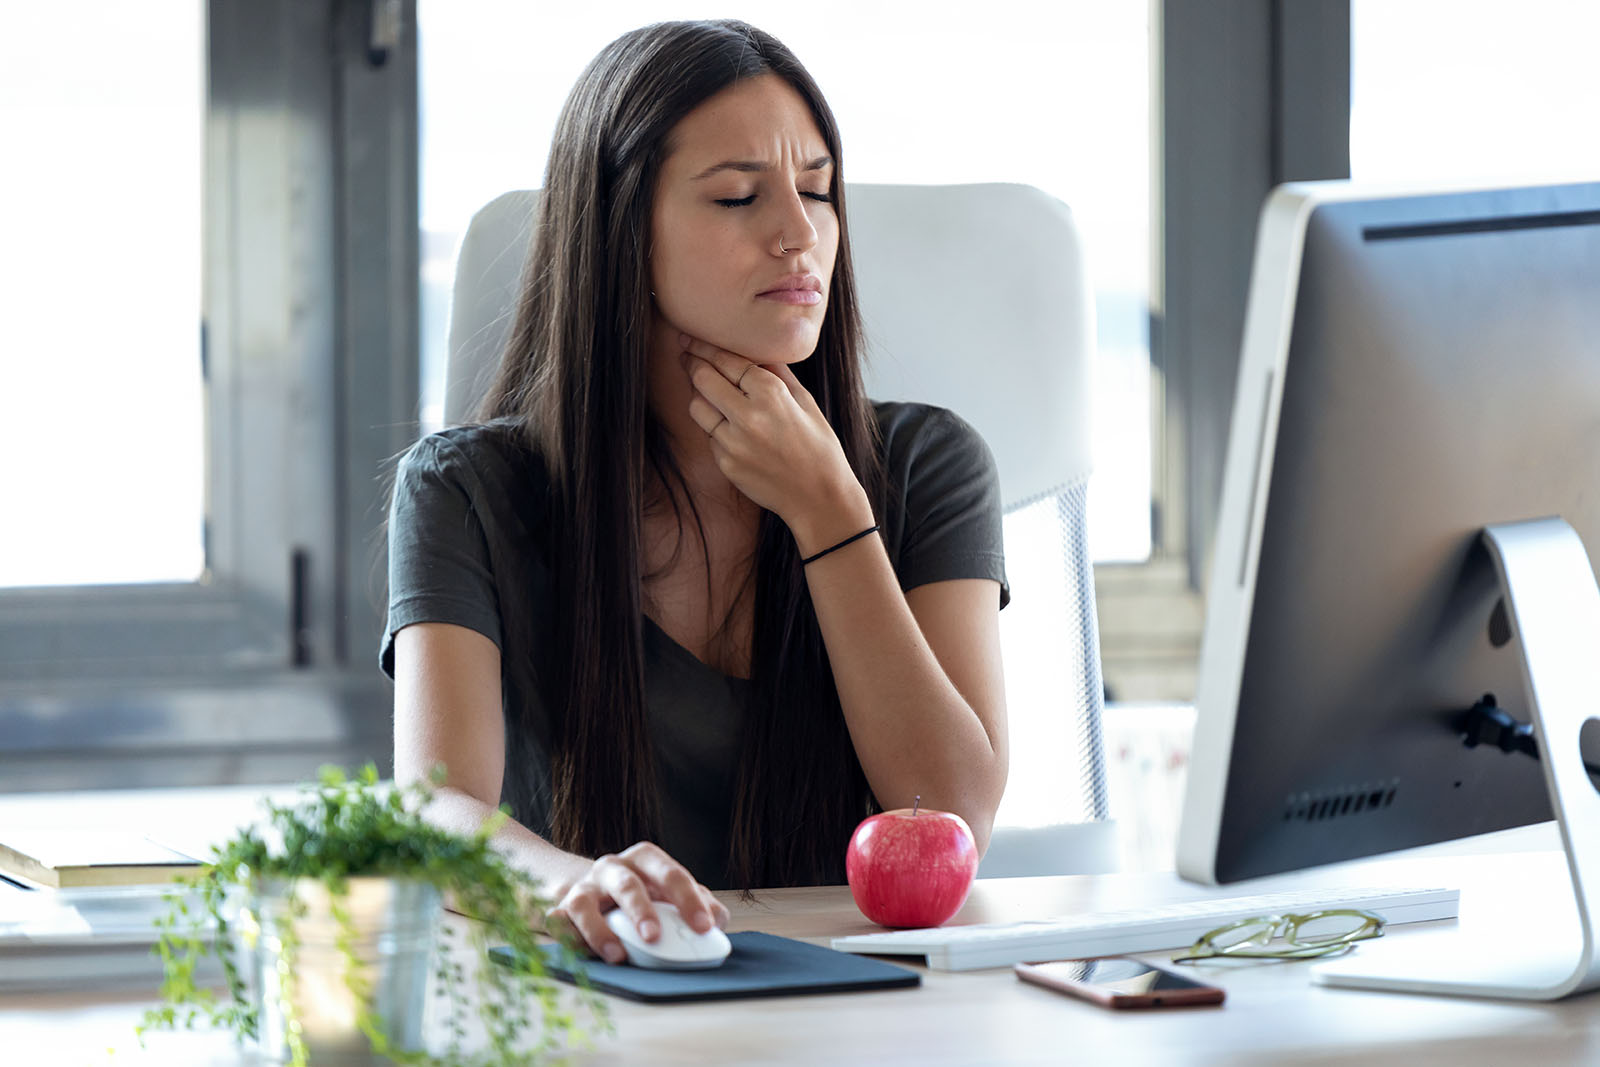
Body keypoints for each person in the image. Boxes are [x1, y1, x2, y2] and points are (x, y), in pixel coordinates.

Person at [383, 19, 1009, 965]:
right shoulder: (464, 492)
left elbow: (952, 813)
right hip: (602, 991)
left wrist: (831, 513)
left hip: (864, 999)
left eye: (817, 191)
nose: (799, 235)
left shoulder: (930, 464)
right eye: (738, 196)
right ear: (621, 230)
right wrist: (576, 885)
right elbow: (434, 812)